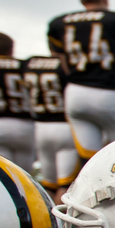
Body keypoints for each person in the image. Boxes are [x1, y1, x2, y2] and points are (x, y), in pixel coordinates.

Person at [47, 0, 115, 160]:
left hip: (75, 94)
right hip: (109, 94)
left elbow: (62, 63)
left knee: (90, 159)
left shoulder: (59, 24)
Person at [24, 53, 76, 200]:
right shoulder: (65, 64)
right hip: (65, 127)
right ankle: (58, 222)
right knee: (65, 185)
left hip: (40, 127)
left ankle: (45, 218)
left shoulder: (30, 63)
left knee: (49, 185)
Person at [0, 32, 35, 172]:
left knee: (3, 176)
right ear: (11, 48)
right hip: (25, 126)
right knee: (25, 177)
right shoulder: (24, 66)